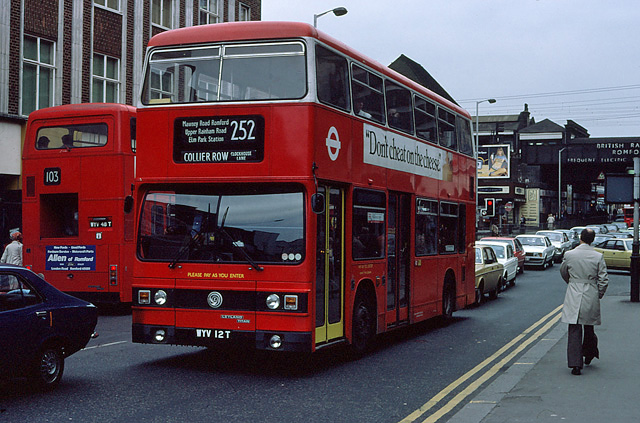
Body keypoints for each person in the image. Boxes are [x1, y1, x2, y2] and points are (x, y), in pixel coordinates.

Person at [559, 228, 608, 375]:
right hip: (590, 291)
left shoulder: (569, 254)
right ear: (592, 240)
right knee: (589, 326)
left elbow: (563, 272)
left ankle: (575, 365)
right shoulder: (598, 256)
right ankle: (590, 353)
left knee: (574, 328)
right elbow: (603, 279)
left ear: (581, 238)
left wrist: (573, 282)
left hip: (574, 291)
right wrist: (598, 293)